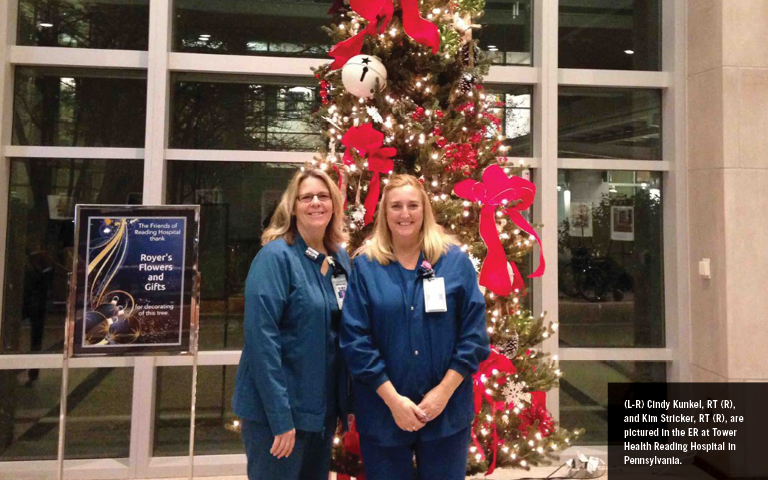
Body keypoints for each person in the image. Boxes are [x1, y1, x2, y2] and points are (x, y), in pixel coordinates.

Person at [340, 174, 490, 480]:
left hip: (446, 413)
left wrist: (442, 394)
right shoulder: (366, 267)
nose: (404, 213)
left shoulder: (454, 262)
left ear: (425, 211)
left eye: (412, 205)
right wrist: (394, 401)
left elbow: (474, 336)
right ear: (384, 213)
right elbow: (355, 341)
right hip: (383, 413)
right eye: (395, 206)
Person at [232, 168, 350, 480]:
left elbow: (342, 335)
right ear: (292, 206)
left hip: (320, 413)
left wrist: (340, 405)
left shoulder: (340, 259)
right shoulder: (275, 257)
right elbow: (262, 342)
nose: (316, 203)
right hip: (278, 414)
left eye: (323, 196)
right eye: (306, 197)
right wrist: (279, 417)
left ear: (334, 205)